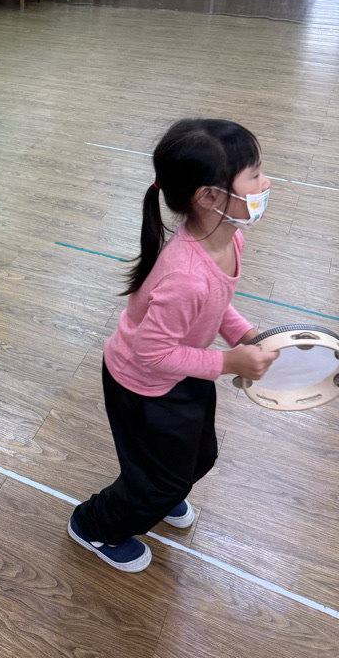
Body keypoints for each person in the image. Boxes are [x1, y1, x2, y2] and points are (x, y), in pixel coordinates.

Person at [68, 118, 277, 573]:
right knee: (158, 481)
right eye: (255, 174)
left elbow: (217, 304)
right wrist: (228, 361)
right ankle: (93, 525)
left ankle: (162, 492)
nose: (267, 183)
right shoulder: (185, 276)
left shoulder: (231, 238)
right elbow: (151, 353)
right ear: (209, 197)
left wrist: (243, 334)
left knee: (201, 456)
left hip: (185, 370)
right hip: (142, 384)